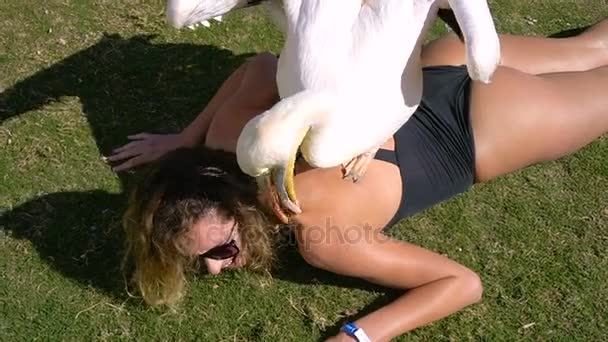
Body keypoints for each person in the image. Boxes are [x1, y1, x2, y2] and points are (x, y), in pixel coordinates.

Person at [112, 19, 608, 342]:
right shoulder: (229, 139)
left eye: (218, 252)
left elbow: (460, 283)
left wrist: (358, 336)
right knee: (590, 48)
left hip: (493, 126)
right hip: (429, 69)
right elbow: (260, 68)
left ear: (237, 210)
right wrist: (185, 137)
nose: (217, 271)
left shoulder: (321, 239)